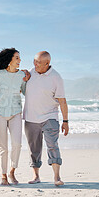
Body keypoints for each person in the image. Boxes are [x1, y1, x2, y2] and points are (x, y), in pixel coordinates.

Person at [23, 51, 69, 186]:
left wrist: (65, 121)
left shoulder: (56, 78)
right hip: (31, 118)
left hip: (50, 117)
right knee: (34, 149)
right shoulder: (31, 73)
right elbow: (20, 89)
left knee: (53, 146)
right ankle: (36, 176)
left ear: (47, 63)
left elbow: (62, 101)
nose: (34, 64)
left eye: (38, 62)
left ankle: (56, 177)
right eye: (34, 60)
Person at [0, 48, 26, 185]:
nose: (19, 60)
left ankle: (12, 171)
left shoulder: (21, 75)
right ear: (9, 60)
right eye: (17, 58)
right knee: (2, 146)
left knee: (17, 144)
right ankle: (3, 175)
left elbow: (27, 92)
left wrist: (29, 79)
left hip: (16, 112)